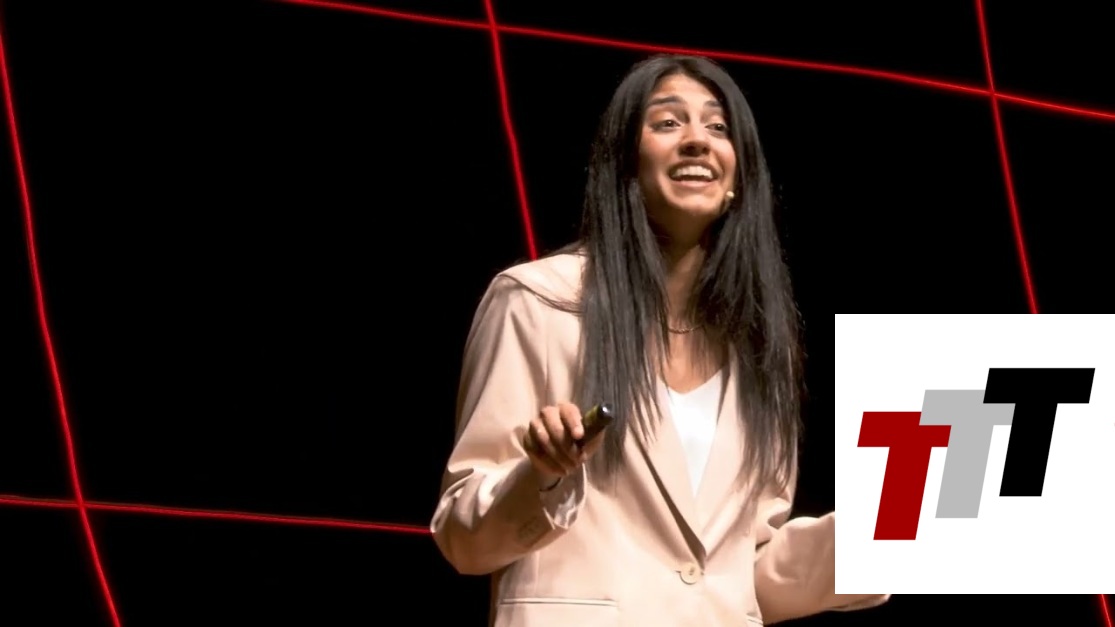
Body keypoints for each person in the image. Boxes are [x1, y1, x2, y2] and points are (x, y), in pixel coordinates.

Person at [430, 54, 888, 626]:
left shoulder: (757, 346)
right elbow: (463, 538)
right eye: (668, 122)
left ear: (738, 178)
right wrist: (541, 476)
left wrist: (887, 534)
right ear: (625, 161)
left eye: (718, 127)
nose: (698, 140)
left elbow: (740, 577)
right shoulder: (538, 302)